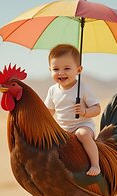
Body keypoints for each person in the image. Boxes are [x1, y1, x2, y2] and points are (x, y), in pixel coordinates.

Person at [44, 44, 101, 176]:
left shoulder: (83, 88)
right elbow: (50, 111)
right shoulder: (52, 90)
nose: (61, 73)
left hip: (83, 126)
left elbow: (97, 108)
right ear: (50, 70)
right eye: (56, 69)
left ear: (79, 70)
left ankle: (95, 164)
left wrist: (85, 112)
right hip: (63, 129)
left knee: (82, 135)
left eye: (67, 68)